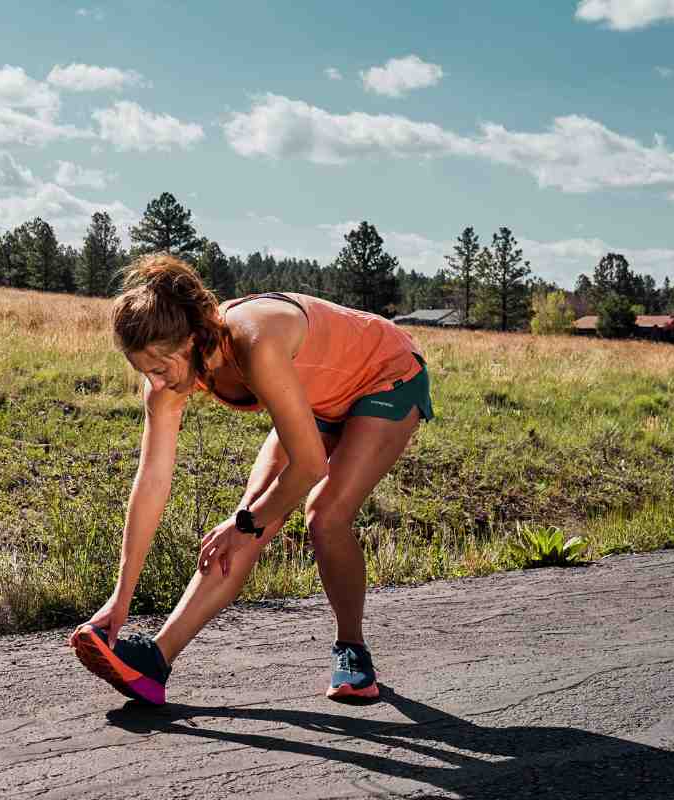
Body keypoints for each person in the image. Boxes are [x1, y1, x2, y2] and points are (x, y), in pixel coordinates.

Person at [68, 253, 433, 705]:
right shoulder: (166, 376)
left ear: (194, 341)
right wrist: (120, 599)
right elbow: (152, 481)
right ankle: (155, 663)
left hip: (386, 375)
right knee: (249, 518)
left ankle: (352, 652)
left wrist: (247, 524)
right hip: (319, 396)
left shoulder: (256, 342)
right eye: (145, 372)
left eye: (160, 369)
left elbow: (310, 466)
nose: (155, 383)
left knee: (323, 514)